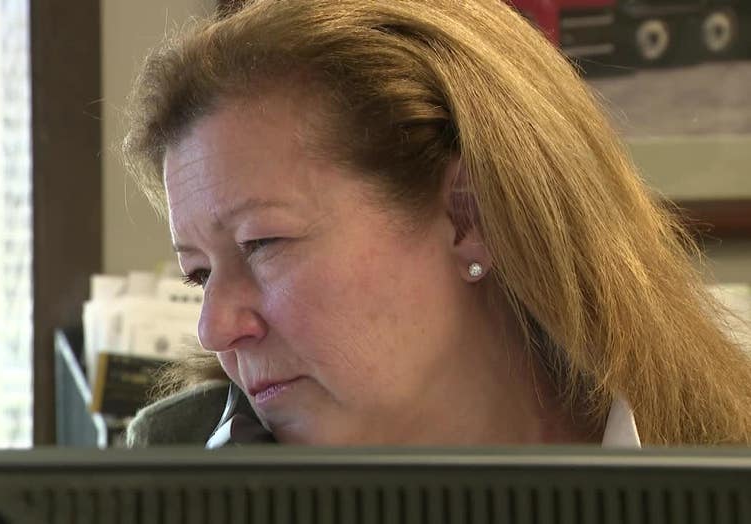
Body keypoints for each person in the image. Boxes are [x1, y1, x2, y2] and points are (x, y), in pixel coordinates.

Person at [121, 0, 751, 447]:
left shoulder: (724, 456)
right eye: (199, 274)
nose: (215, 329)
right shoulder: (174, 469)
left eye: (262, 243)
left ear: (466, 216)